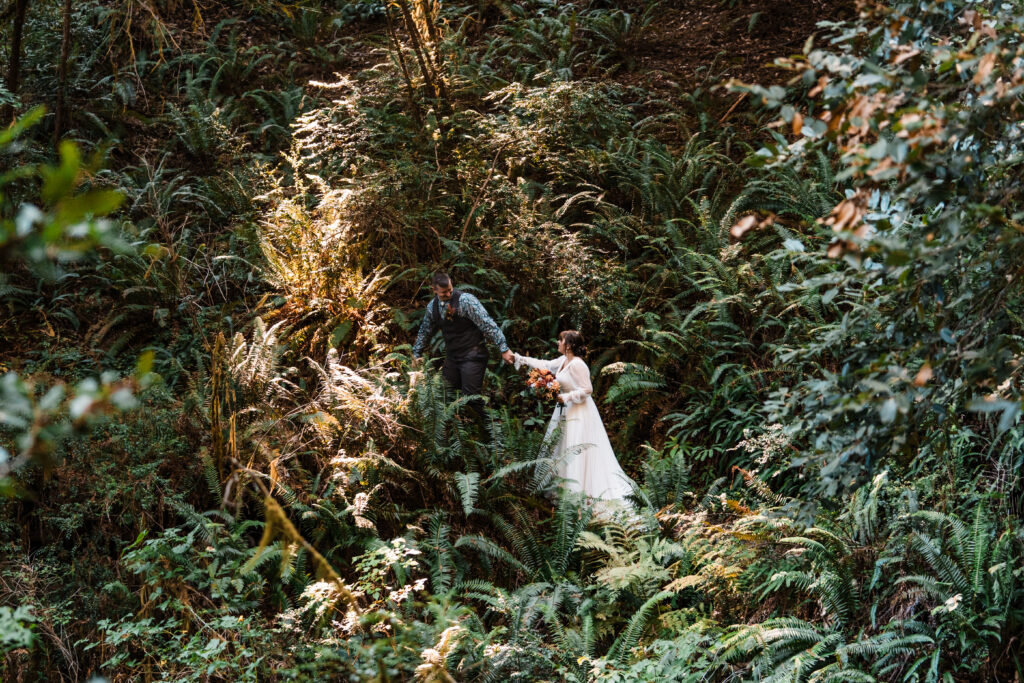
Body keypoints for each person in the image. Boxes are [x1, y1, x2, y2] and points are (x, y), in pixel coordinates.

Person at [511, 330, 636, 515]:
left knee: (576, 449)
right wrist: (520, 359)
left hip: (579, 413)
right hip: (565, 411)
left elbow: (587, 389)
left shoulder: (578, 365)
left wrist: (566, 397)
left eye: (560, 340)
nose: (557, 342)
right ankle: (563, 491)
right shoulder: (563, 361)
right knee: (562, 448)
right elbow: (544, 365)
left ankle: (580, 494)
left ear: (568, 345)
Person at [412, 272, 515, 421]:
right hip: (453, 357)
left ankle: (490, 433)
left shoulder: (466, 301)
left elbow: (487, 324)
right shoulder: (432, 307)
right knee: (443, 395)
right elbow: (424, 331)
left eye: (450, 290)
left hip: (474, 354)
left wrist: (503, 348)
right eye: (444, 292)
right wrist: (416, 354)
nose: (448, 293)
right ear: (434, 290)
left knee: (471, 399)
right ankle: (456, 435)